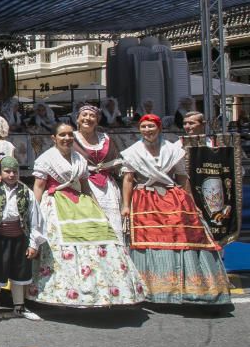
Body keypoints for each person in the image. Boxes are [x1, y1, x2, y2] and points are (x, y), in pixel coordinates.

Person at [30, 122, 146, 307]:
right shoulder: (46, 159)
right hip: (55, 204)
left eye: (70, 135)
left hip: (80, 203)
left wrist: (97, 208)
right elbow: (39, 186)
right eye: (62, 135)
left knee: (100, 240)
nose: (67, 138)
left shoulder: (78, 158)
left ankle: (100, 290)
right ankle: (61, 291)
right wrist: (33, 213)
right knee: (62, 247)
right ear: (54, 138)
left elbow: (85, 186)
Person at [120, 114, 231, 306]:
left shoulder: (172, 150)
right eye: (144, 127)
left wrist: (190, 201)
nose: (147, 130)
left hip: (173, 197)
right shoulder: (132, 152)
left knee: (184, 236)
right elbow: (128, 179)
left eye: (151, 126)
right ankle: (152, 290)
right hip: (145, 199)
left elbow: (181, 177)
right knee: (149, 242)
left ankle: (192, 289)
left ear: (159, 128)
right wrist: (125, 206)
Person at [0, 156, 45, 322]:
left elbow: (35, 219)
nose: (11, 175)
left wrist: (33, 244)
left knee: (20, 272)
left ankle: (19, 306)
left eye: (14, 172)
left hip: (19, 238)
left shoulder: (26, 192)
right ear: (0, 173)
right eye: (7, 171)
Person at [73, 104, 125, 244]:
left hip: (106, 186)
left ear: (97, 120)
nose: (88, 118)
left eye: (92, 116)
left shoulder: (105, 138)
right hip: (81, 184)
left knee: (111, 221)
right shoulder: (70, 138)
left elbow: (116, 160)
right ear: (77, 119)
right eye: (84, 115)